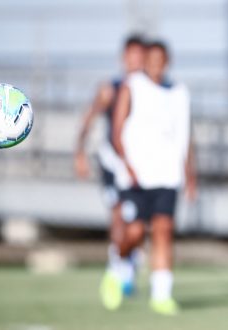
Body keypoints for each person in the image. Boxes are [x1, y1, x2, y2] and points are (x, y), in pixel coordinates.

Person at [101, 40, 196, 316]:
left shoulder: (179, 92)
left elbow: (185, 136)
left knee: (163, 231)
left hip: (168, 175)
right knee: (133, 232)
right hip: (136, 175)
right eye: (151, 59)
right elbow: (117, 130)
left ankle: (161, 294)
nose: (156, 64)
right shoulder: (133, 85)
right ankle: (117, 268)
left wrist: (190, 174)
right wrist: (127, 165)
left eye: (161, 59)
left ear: (167, 61)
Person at [74, 35, 145, 298]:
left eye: (140, 56)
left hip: (142, 165)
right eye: (132, 55)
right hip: (113, 163)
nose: (136, 61)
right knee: (119, 214)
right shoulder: (110, 88)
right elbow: (88, 119)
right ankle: (118, 270)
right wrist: (79, 152)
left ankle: (126, 263)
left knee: (139, 221)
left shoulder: (151, 89)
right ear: (124, 58)